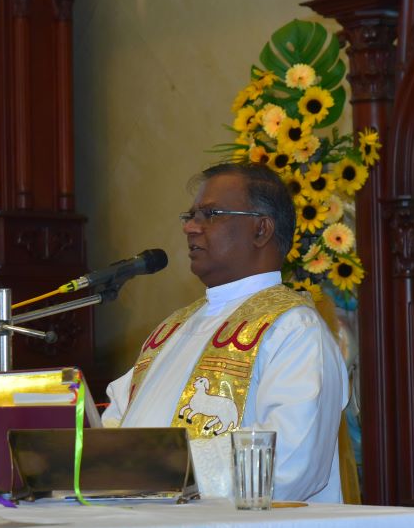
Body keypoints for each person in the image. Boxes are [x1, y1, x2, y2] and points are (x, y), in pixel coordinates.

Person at [102, 162, 348, 502]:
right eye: (189, 216)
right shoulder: (172, 328)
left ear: (261, 229)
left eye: (210, 214)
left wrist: (164, 466)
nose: (190, 227)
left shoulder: (293, 329)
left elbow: (291, 464)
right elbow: (117, 420)